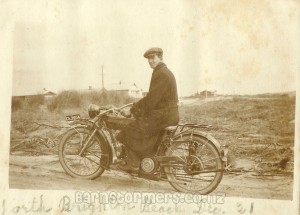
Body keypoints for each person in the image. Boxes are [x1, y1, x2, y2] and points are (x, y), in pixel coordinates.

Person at [115, 47, 179, 173]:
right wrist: (136, 108)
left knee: (128, 130)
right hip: (167, 115)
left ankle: (133, 163)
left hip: (163, 116)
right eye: (148, 59)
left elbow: (151, 100)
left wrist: (132, 110)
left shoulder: (162, 74)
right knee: (140, 128)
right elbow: (154, 98)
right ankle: (152, 165)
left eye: (153, 57)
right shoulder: (162, 71)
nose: (150, 61)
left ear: (160, 58)